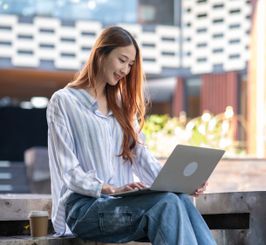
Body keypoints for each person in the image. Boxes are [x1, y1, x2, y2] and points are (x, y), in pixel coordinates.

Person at [46, 26, 215, 244]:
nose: (126, 69)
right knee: (167, 204)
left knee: (179, 198)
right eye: (122, 60)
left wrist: (182, 184)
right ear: (100, 54)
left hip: (122, 204)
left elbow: (142, 159)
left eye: (130, 64)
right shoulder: (63, 102)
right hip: (84, 208)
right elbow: (68, 171)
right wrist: (109, 189)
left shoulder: (122, 106)